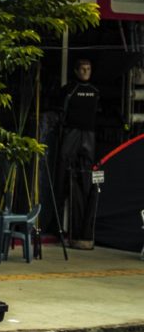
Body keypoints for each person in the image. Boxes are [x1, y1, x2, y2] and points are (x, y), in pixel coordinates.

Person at [54, 58, 101, 249]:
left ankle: (83, 225)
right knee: (64, 168)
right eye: (82, 69)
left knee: (87, 173)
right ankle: (57, 221)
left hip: (88, 133)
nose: (85, 72)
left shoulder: (96, 91)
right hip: (71, 132)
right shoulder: (69, 89)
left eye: (88, 69)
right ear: (75, 71)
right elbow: (60, 111)